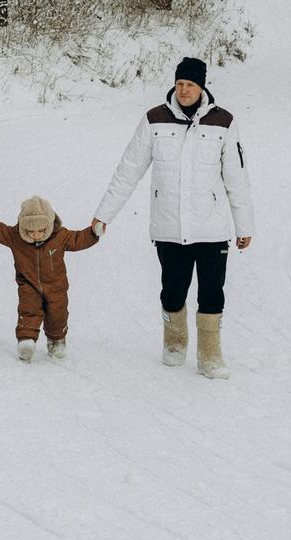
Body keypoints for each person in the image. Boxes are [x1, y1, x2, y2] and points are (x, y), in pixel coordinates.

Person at [92, 56, 253, 379]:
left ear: (201, 87)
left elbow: (237, 178)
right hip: (169, 226)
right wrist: (103, 215)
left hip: (211, 229)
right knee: (172, 291)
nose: (184, 90)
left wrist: (244, 225)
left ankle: (210, 356)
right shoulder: (154, 120)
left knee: (212, 292)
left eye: (190, 85)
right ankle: (175, 343)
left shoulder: (223, 122)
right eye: (180, 84)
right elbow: (128, 171)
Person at [0, 195, 100, 362]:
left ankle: (56, 341)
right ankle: (26, 342)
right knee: (28, 309)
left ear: (49, 225)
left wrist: (93, 233)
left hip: (56, 287)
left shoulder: (60, 236)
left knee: (57, 314)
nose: (36, 235)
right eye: (30, 231)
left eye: (41, 230)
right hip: (28, 285)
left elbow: (79, 239)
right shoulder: (16, 237)